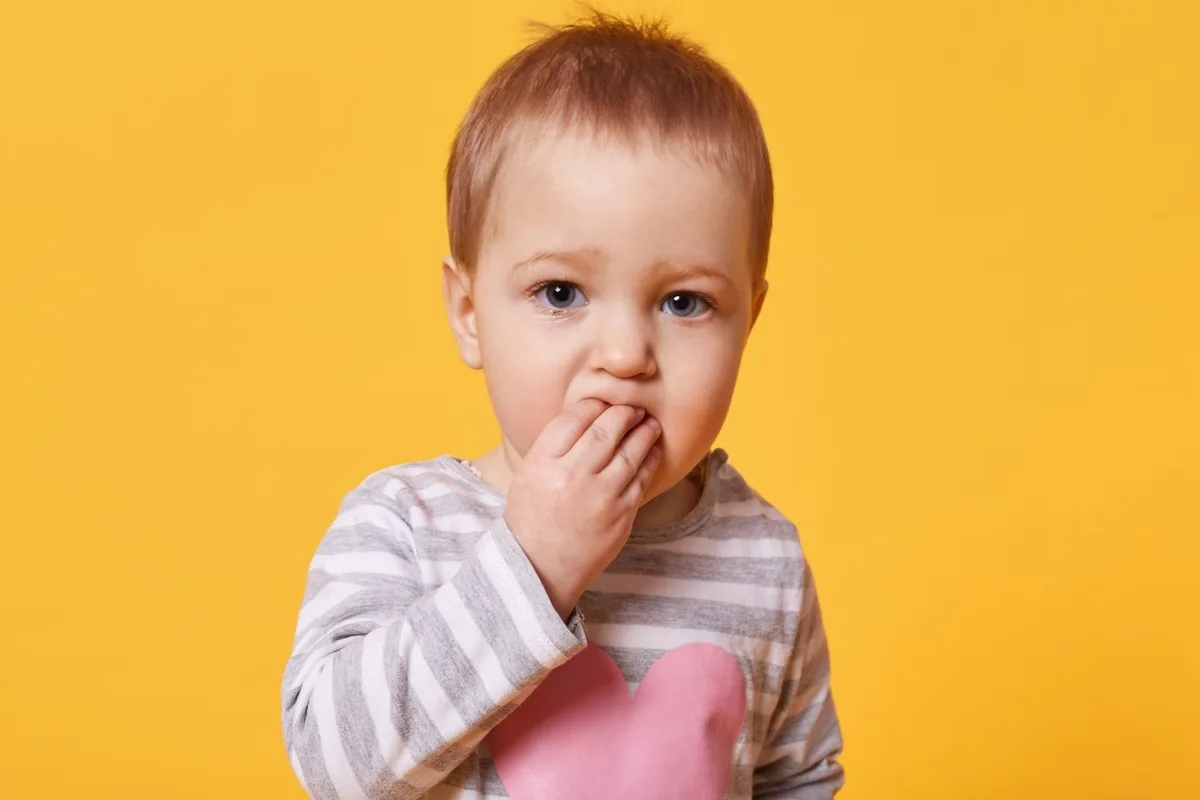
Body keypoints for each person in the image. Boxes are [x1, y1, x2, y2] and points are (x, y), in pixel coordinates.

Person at [282, 10, 844, 799]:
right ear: (470, 312)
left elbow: (797, 778)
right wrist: (532, 567)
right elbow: (334, 764)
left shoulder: (763, 560)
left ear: (748, 321)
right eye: (560, 292)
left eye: (684, 302)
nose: (624, 355)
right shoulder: (405, 525)